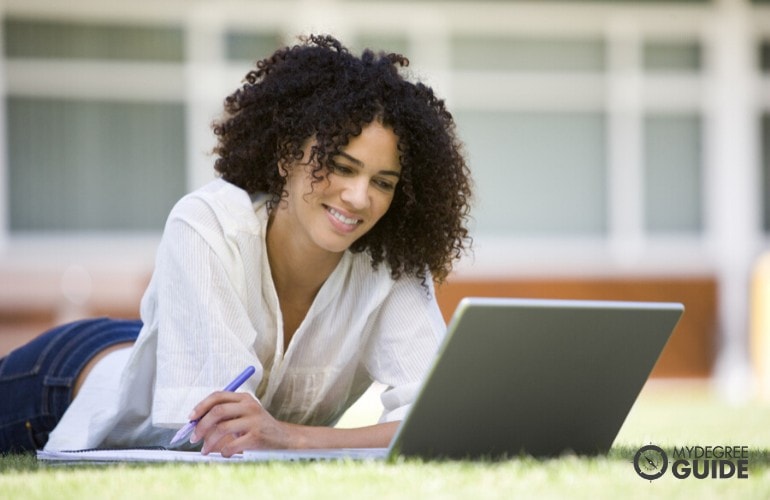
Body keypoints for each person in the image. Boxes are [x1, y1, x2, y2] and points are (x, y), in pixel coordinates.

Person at [0, 34, 472, 457]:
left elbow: (439, 419)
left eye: (383, 182)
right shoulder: (208, 225)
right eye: (343, 167)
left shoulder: (391, 264)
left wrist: (294, 437)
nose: (359, 197)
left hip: (157, 344)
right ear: (288, 154)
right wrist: (287, 435)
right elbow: (224, 433)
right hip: (68, 379)